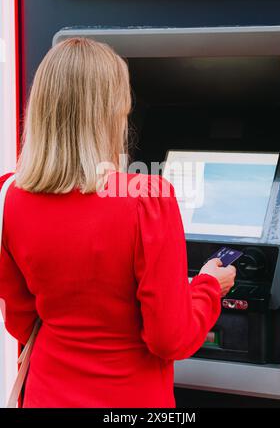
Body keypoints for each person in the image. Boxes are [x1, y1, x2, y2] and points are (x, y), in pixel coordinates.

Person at [0, 38, 235, 408]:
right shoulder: (147, 199)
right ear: (110, 114)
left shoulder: (9, 195)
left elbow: (21, 321)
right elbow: (170, 339)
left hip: (46, 394)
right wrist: (208, 287)